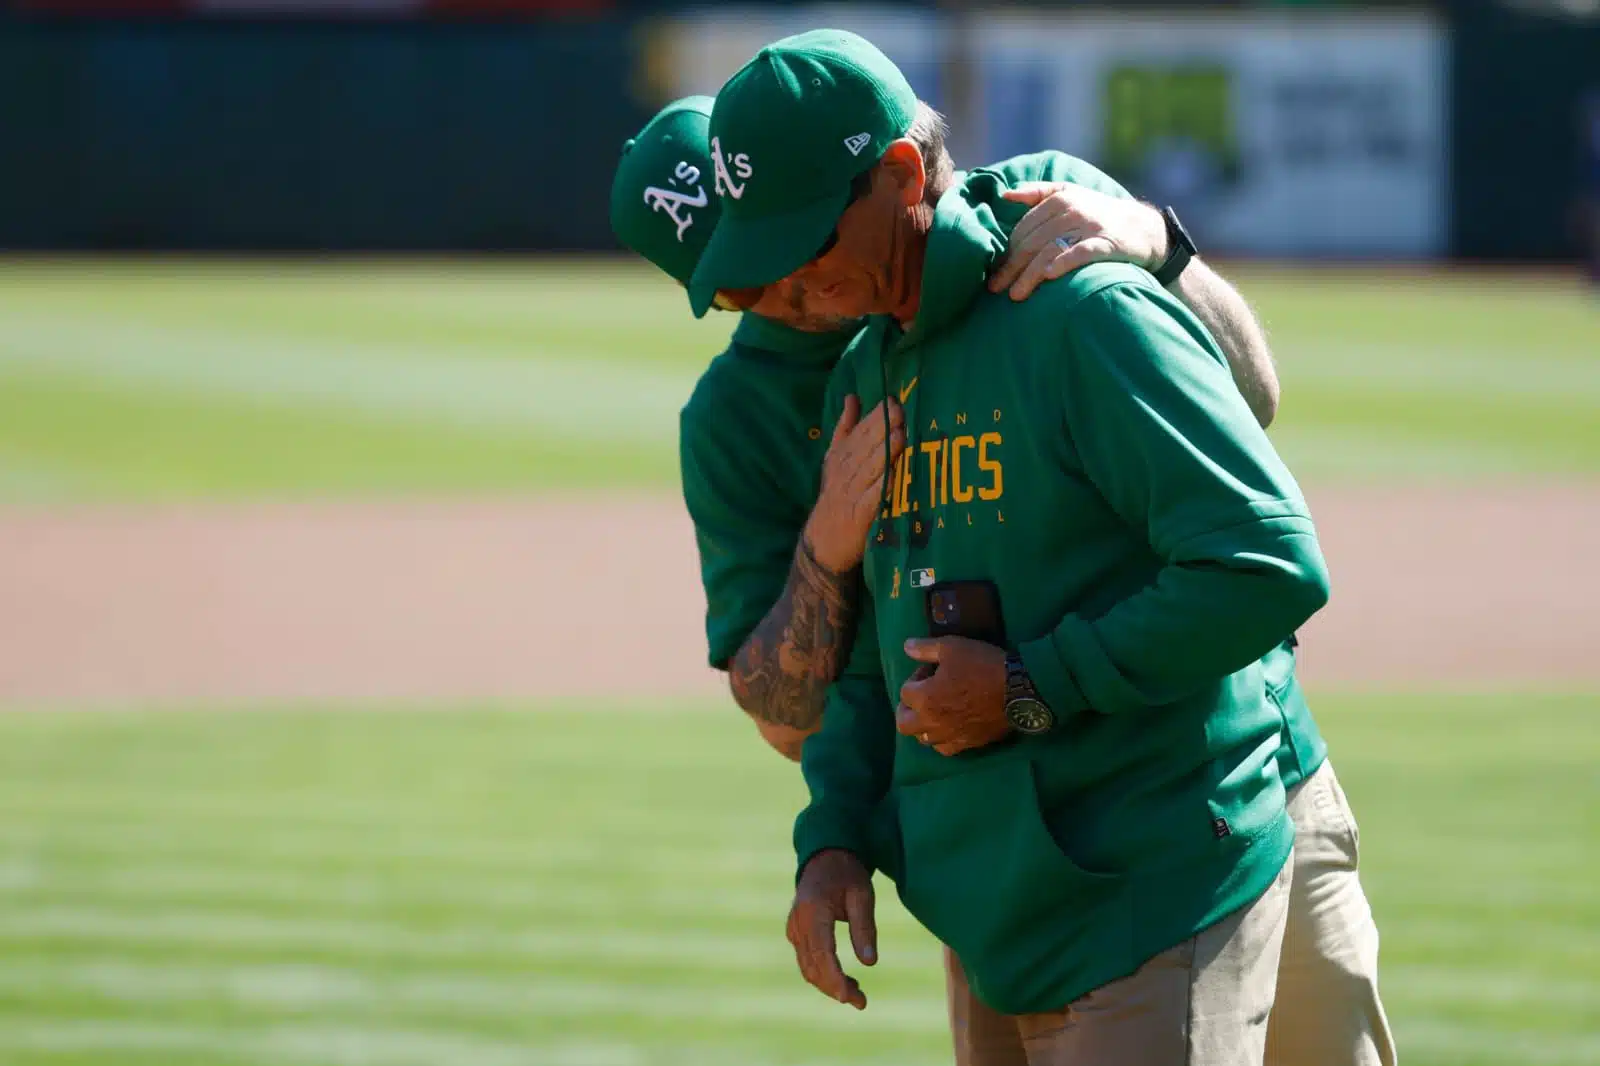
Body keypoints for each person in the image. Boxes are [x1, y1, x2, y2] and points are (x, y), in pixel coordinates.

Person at [687, 29, 1393, 1066]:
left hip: (1158, 875)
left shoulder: (1078, 308)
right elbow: (876, 660)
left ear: (898, 175)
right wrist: (834, 831)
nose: (783, 284)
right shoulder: (863, 378)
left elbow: (1265, 562)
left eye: (801, 238)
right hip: (997, 905)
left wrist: (1028, 683)